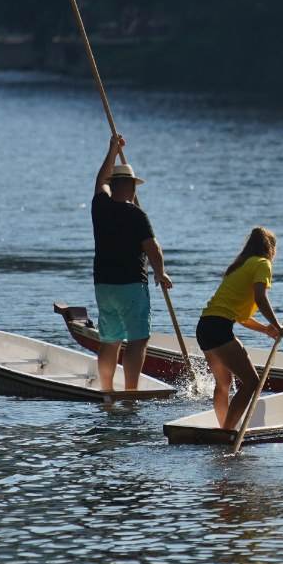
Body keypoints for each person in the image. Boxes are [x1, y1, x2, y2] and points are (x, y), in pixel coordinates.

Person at [90, 134, 170, 394]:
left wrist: (112, 150)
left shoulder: (99, 205)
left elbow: (99, 181)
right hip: (131, 285)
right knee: (138, 340)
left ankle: (106, 390)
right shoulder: (136, 215)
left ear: (114, 185)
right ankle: (131, 391)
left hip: (104, 285)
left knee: (110, 341)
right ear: (130, 187)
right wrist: (161, 272)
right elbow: (153, 247)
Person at [197, 227, 283, 430]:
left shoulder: (241, 265)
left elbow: (242, 317)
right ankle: (227, 430)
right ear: (271, 249)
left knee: (223, 383)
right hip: (218, 328)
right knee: (251, 383)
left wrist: (266, 329)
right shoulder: (263, 264)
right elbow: (260, 297)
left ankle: (223, 427)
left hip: (204, 326)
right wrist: (277, 325)